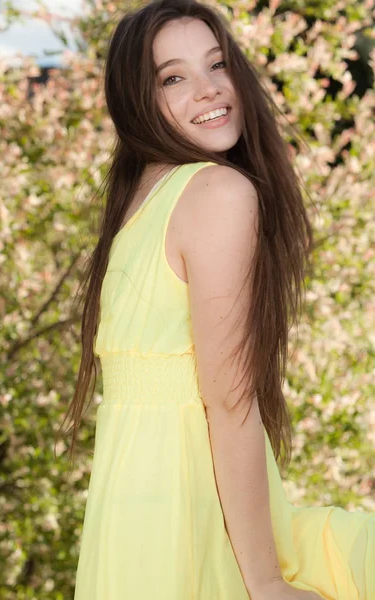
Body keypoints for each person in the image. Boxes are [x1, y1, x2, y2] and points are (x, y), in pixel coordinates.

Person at [57, 1, 375, 599]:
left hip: (134, 522)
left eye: (217, 64)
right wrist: (265, 582)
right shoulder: (217, 192)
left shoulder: (138, 202)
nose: (209, 90)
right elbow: (228, 404)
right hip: (193, 516)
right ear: (136, 101)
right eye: (174, 78)